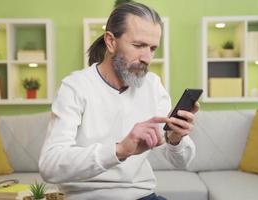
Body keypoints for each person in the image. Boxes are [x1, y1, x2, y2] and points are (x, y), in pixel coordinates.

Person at [39, 2, 199, 200]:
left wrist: (175, 139)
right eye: (139, 45)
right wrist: (120, 150)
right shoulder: (75, 87)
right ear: (111, 41)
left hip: (143, 196)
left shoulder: (153, 85)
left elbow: (182, 162)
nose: (147, 58)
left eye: (152, 48)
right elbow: (50, 166)